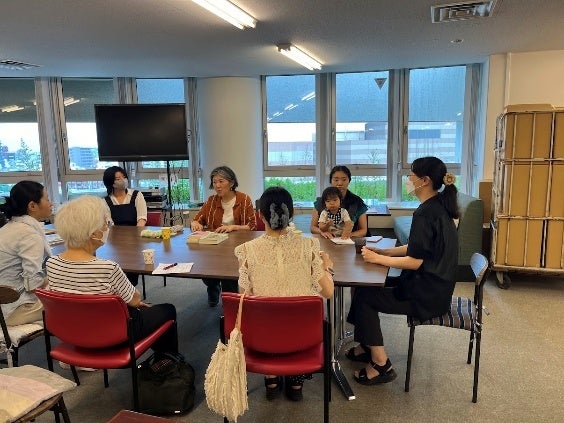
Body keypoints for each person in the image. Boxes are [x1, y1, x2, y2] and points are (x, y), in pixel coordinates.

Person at [345, 156, 459, 385]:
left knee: (365, 296)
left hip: (426, 295)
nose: (408, 179)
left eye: (411, 175)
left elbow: (415, 261)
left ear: (424, 180)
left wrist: (379, 259)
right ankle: (368, 346)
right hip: (433, 287)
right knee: (362, 286)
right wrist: (385, 252)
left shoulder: (426, 213)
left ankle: (381, 364)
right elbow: (417, 248)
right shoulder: (437, 207)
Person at [234, 187, 334, 401]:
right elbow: (328, 291)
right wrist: (326, 266)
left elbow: (245, 298)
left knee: (265, 314)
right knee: (299, 314)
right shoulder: (309, 245)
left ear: (260, 215)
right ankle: (296, 383)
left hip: (262, 337)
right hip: (304, 336)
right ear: (292, 213)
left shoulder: (246, 250)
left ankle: (271, 379)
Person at [45, 195, 178, 356]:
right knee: (167, 309)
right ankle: (167, 361)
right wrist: (132, 301)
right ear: (93, 233)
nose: (106, 228)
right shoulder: (107, 268)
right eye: (104, 224)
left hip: (72, 332)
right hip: (113, 334)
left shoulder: (51, 263)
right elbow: (135, 300)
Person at [190, 166, 256, 307]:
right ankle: (213, 287)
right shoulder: (211, 201)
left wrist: (233, 227)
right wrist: (195, 223)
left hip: (237, 247)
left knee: (229, 278)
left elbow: (252, 226)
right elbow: (197, 219)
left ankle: (230, 304)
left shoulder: (244, 199)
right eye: (214, 182)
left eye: (221, 181)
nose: (217, 186)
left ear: (231, 183)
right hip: (215, 247)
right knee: (207, 272)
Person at [0, 181, 52, 325]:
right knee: (72, 297)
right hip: (14, 310)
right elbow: (33, 285)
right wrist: (55, 277)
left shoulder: (8, 228)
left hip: (4, 307)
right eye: (47, 199)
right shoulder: (29, 234)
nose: (51, 203)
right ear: (32, 206)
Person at [103, 166, 147, 286]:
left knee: (131, 271)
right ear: (111, 182)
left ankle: (129, 289)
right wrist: (120, 241)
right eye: (118, 178)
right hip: (116, 241)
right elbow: (109, 224)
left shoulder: (137, 195)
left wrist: (134, 240)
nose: (123, 180)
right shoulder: (106, 201)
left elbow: (142, 219)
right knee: (114, 267)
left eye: (124, 177)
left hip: (135, 240)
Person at [310, 165, 368, 238]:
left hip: (348, 241)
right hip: (326, 240)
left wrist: (348, 235)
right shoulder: (320, 202)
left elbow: (363, 230)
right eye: (336, 180)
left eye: (344, 179)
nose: (340, 183)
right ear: (331, 181)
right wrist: (322, 232)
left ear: (349, 181)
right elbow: (313, 227)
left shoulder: (357, 202)